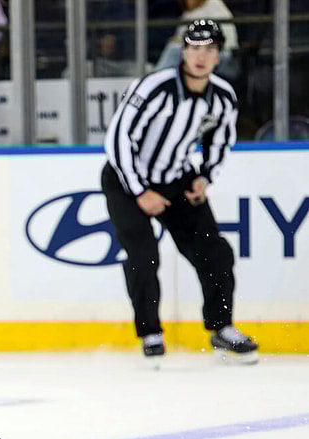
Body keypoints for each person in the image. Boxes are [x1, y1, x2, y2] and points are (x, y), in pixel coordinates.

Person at [101, 19, 258, 367]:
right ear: (184, 52)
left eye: (209, 50)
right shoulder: (154, 87)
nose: (201, 57)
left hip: (177, 180)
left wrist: (204, 177)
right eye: (195, 49)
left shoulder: (222, 96)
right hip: (127, 182)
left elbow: (221, 140)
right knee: (143, 257)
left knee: (215, 252)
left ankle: (221, 327)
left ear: (219, 56)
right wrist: (140, 191)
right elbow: (117, 138)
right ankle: (151, 334)